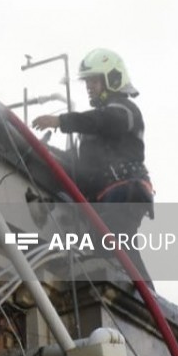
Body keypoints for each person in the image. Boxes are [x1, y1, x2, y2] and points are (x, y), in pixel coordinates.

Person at [31, 48, 155, 284]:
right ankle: (134, 292)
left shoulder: (125, 111)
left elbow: (103, 121)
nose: (89, 86)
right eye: (87, 82)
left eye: (94, 81)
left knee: (116, 237)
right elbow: (80, 169)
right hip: (105, 198)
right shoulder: (92, 134)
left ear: (113, 79)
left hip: (126, 193)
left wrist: (62, 121)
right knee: (102, 244)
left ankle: (147, 300)